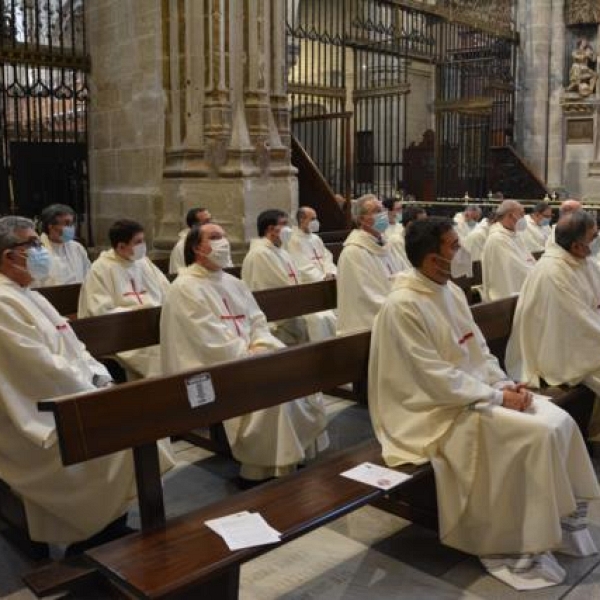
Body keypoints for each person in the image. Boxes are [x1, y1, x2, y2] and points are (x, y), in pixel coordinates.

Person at [369, 216, 600, 590]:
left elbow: (478, 351)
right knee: (535, 435)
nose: (461, 252)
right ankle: (518, 542)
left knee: (557, 419)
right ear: (431, 259)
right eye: (453, 247)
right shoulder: (403, 306)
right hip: (429, 411)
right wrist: (496, 396)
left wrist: (505, 382)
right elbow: (433, 378)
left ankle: (562, 526)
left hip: (473, 392)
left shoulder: (449, 291)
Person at [0, 216, 173, 546]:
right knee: (121, 437)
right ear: (9, 255)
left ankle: (108, 523)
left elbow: (76, 347)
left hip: (72, 393)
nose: (41, 251)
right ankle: (89, 534)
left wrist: (100, 379)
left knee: (136, 429)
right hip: (34, 415)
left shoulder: (29, 294)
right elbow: (39, 368)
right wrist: (93, 393)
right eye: (33, 244)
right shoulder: (3, 301)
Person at [160, 223, 328, 485]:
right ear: (196, 248)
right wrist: (247, 353)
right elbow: (207, 339)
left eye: (224, 236)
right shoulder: (184, 287)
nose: (223, 242)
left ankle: (295, 452)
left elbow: (257, 321)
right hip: (213, 367)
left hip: (251, 355)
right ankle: (263, 468)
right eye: (214, 238)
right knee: (274, 392)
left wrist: (261, 345)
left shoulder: (234, 282)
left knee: (298, 375)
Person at [506, 211, 600, 434]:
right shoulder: (554, 271)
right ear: (577, 245)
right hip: (554, 352)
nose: (597, 240)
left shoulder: (580, 260)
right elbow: (578, 323)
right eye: (594, 236)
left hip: (577, 340)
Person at [78, 219, 171, 379]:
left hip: (154, 326)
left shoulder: (144, 263)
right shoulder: (101, 268)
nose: (143, 245)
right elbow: (99, 312)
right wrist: (139, 311)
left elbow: (168, 293)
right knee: (159, 355)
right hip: (125, 334)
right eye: (138, 242)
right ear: (121, 246)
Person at [336, 194, 405, 335]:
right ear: (361, 220)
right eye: (376, 211)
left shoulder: (386, 245)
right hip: (367, 326)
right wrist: (401, 308)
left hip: (394, 311)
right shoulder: (353, 252)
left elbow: (406, 275)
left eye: (383, 210)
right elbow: (367, 297)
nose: (383, 215)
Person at [241, 209, 311, 344]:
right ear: (271, 229)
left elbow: (296, 280)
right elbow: (281, 288)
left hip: (292, 313)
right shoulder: (260, 254)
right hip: (277, 321)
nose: (289, 229)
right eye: (284, 224)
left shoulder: (281, 251)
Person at [481, 200, 536, 300]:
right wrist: (538, 275)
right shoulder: (497, 239)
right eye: (522, 214)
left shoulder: (515, 235)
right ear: (510, 215)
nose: (524, 218)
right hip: (503, 298)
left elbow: (528, 259)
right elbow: (517, 268)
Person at [35, 203, 91, 286]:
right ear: (51, 226)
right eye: (67, 224)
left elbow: (89, 275)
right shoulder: (37, 252)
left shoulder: (77, 247)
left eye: (72, 224)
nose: (72, 227)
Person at [287, 206, 337, 282]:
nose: (316, 222)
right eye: (313, 219)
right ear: (302, 219)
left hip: (327, 279)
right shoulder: (293, 240)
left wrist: (331, 273)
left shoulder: (316, 238)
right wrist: (322, 278)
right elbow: (302, 265)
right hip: (311, 282)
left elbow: (327, 258)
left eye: (316, 219)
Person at [169, 207, 212, 274]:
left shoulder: (213, 240)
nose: (212, 224)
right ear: (195, 226)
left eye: (210, 220)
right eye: (207, 221)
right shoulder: (182, 246)